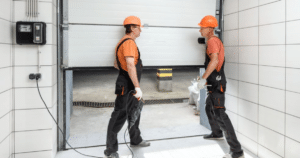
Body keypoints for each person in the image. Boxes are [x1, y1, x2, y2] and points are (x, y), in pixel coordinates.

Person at [197, 15, 244, 158]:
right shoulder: (213, 40)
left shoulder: (212, 41)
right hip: (215, 82)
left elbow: (215, 60)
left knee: (220, 114)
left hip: (217, 83)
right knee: (208, 107)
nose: (200, 30)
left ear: (210, 29)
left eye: (202, 27)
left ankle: (237, 151)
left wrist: (203, 78)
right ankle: (217, 133)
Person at [104, 16, 150, 158]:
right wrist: (137, 87)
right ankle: (110, 150)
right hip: (127, 85)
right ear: (133, 28)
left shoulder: (123, 42)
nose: (140, 31)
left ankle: (135, 140)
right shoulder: (129, 43)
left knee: (134, 112)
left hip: (128, 82)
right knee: (119, 115)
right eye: (139, 28)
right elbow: (130, 65)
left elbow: (116, 64)